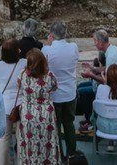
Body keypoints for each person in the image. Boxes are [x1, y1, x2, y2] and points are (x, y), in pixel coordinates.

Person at [15, 49, 60, 165]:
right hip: (46, 115)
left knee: (29, 144)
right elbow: (54, 87)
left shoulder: (22, 74)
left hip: (28, 115)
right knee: (47, 143)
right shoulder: (49, 76)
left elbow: (19, 84)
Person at [42, 20, 80, 157]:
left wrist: (49, 43)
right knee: (69, 124)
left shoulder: (47, 50)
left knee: (56, 127)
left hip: (55, 95)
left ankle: (59, 155)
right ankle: (72, 154)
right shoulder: (73, 47)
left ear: (52, 34)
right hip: (70, 93)